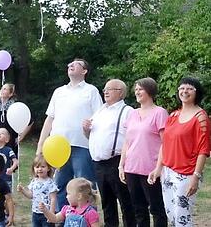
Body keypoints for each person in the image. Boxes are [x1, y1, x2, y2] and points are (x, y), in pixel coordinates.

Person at [36, 58, 103, 210]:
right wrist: (40, 145)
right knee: (60, 186)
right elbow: (50, 119)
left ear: (84, 71)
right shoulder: (59, 92)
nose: (70, 65)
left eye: (76, 64)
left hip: (82, 146)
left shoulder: (91, 91)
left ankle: (87, 219)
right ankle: (62, 220)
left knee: (84, 185)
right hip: (57, 149)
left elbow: (99, 118)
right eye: (69, 64)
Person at [148, 77, 209, 226]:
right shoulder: (173, 116)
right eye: (182, 88)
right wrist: (158, 168)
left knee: (183, 216)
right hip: (168, 172)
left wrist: (196, 176)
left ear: (197, 92)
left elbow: (203, 149)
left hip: (187, 173)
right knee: (172, 214)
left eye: (189, 88)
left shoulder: (201, 117)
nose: (184, 91)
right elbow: (165, 144)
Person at [81, 79, 135, 227]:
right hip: (98, 163)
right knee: (106, 202)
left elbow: (133, 136)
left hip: (116, 161)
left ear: (120, 92)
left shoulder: (127, 111)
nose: (106, 91)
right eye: (105, 88)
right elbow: (91, 135)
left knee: (125, 202)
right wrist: (86, 129)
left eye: (110, 89)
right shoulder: (100, 110)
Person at [119, 77, 168, 227]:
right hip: (131, 168)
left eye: (140, 89)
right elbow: (127, 142)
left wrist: (159, 168)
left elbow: (165, 143)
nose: (137, 92)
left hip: (151, 169)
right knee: (138, 208)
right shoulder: (132, 113)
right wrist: (121, 165)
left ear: (150, 91)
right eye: (136, 89)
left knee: (157, 208)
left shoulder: (159, 113)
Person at [17, 155, 57, 227]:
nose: (40, 169)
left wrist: (51, 214)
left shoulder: (50, 183)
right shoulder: (34, 181)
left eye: (43, 167)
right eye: (37, 167)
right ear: (34, 169)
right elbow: (31, 195)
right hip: (35, 213)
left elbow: (53, 199)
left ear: (48, 168)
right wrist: (22, 190)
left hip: (46, 214)